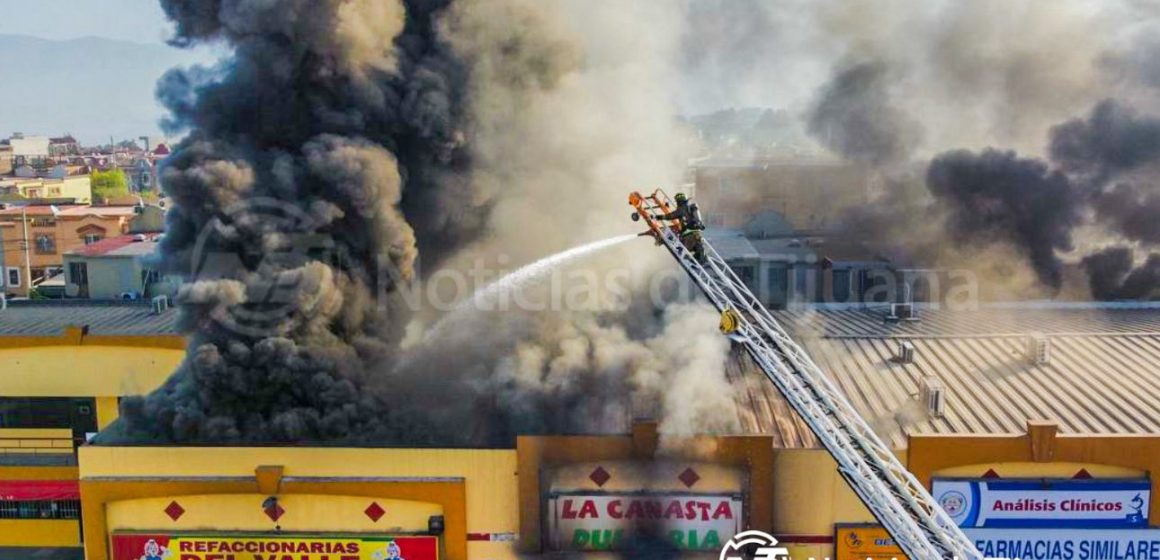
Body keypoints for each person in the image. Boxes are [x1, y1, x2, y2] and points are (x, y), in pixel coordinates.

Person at [654, 192, 706, 262]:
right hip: (697, 235)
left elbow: (670, 216)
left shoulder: (681, 209)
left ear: (679, 201)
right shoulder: (692, 207)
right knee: (698, 248)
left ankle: (689, 259)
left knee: (678, 246)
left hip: (687, 236)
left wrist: (659, 217)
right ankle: (700, 257)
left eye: (677, 202)